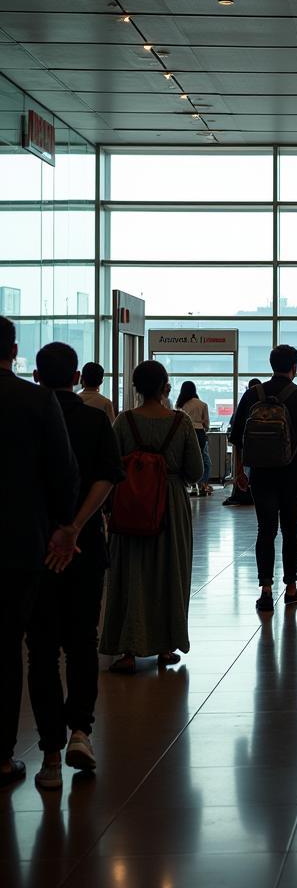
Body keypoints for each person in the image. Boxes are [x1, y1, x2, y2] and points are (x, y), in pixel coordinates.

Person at [27, 343, 124, 790]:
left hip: (34, 550)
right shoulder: (94, 419)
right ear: (77, 376)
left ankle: (49, 753)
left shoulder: (27, 417)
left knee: (42, 648)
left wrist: (52, 532)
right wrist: (76, 528)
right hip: (84, 548)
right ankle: (80, 733)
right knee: (83, 640)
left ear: (36, 375)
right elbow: (107, 477)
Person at [0, 317, 78, 789]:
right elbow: (63, 472)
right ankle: (3, 756)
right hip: (19, 543)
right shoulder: (35, 401)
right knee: (11, 647)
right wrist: (63, 527)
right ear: (12, 349)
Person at [101, 359, 203, 674]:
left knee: (130, 572)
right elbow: (196, 471)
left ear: (135, 387)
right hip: (170, 503)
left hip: (130, 502)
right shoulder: (181, 422)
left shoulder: (123, 421)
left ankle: (129, 649)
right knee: (171, 571)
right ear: (165, 387)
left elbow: (110, 466)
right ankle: (165, 646)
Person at [231, 345, 297, 614]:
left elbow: (237, 437)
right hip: (293, 473)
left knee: (265, 530)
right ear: (294, 366)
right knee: (290, 529)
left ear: (272, 365)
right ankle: (291, 588)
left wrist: (239, 471)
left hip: (260, 473)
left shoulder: (252, 395)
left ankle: (266, 591)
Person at [223, 378, 260, 506]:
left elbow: (235, 428)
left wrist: (238, 470)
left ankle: (245, 494)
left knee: (247, 471)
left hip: (247, 445)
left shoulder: (247, 400)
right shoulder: (268, 402)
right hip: (266, 449)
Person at [176, 380, 212, 496]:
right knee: (205, 461)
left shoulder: (180, 405)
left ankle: (192, 486)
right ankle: (203, 485)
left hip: (184, 433)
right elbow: (206, 424)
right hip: (199, 433)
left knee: (187, 459)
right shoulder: (202, 404)